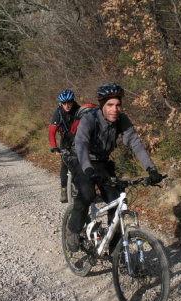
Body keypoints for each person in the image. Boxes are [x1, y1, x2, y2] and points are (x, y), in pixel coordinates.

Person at [66, 82, 163, 252]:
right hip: (81, 160)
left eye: (118, 105)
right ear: (102, 106)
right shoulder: (89, 119)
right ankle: (73, 230)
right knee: (87, 194)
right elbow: (81, 145)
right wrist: (88, 169)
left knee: (116, 199)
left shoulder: (122, 120)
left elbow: (136, 143)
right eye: (110, 105)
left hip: (102, 162)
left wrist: (151, 169)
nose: (115, 109)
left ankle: (115, 248)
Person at [49, 89, 80, 202]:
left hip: (79, 140)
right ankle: (64, 189)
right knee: (65, 164)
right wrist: (54, 146)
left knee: (80, 164)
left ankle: (79, 187)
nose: (67, 105)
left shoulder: (79, 111)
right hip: (65, 141)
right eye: (64, 103)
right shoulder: (58, 112)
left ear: (73, 101)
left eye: (69, 102)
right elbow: (52, 132)